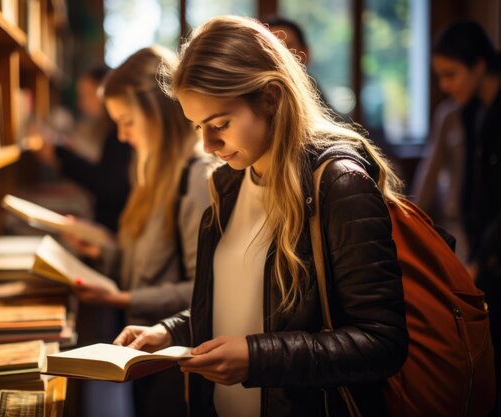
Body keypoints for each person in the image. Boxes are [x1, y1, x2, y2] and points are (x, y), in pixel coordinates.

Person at [114, 15, 408, 417]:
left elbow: (382, 342)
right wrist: (170, 331)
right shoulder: (227, 184)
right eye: (197, 126)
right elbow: (241, 303)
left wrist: (258, 357)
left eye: (220, 124)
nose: (208, 144)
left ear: (270, 98)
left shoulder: (339, 186)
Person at [64, 46, 213, 417]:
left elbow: (203, 292)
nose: (122, 135)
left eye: (128, 121)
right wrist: (103, 250)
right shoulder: (150, 169)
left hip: (175, 361)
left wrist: (123, 300)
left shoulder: (195, 177)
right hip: (145, 350)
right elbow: (151, 260)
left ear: (159, 114)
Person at [431, 20, 501, 409]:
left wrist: (481, 257)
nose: (444, 85)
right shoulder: (472, 111)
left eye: (450, 74)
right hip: (482, 247)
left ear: (479, 66)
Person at [35, 65, 133, 233]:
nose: (80, 102)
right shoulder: (107, 129)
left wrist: (60, 154)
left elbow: (106, 184)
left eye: (85, 95)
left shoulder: (118, 132)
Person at [410, 98, 467, 260]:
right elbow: (430, 171)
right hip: (455, 219)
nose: (444, 85)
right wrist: (413, 220)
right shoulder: (449, 115)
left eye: (450, 75)